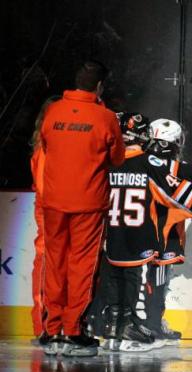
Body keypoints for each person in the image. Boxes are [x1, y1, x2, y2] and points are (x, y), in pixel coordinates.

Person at [100, 116, 192, 352]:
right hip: (147, 237)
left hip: (115, 235)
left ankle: (116, 327)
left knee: (119, 284)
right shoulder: (148, 164)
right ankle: (141, 327)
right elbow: (180, 197)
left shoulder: (109, 162)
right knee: (142, 285)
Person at [39, 61, 125, 357]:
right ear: (99, 86)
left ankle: (52, 330)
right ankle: (73, 331)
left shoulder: (53, 111)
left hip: (53, 200)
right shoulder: (105, 117)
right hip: (88, 203)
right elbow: (117, 158)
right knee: (82, 266)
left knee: (55, 263)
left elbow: (47, 145)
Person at [29, 95, 60, 344]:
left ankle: (57, 323)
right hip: (50, 210)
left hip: (63, 208)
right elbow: (43, 187)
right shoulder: (44, 148)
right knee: (47, 260)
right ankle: (43, 324)